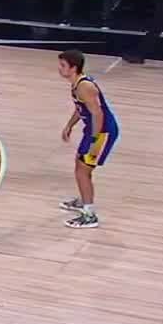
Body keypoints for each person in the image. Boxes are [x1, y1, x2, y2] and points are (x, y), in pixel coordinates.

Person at [58, 50, 118, 228]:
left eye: (63, 65)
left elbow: (98, 114)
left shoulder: (85, 86)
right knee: (80, 164)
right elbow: (81, 108)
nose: (59, 68)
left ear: (73, 67)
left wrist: (94, 141)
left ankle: (90, 214)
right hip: (93, 130)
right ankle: (84, 199)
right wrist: (69, 125)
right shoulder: (77, 83)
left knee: (82, 170)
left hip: (102, 132)